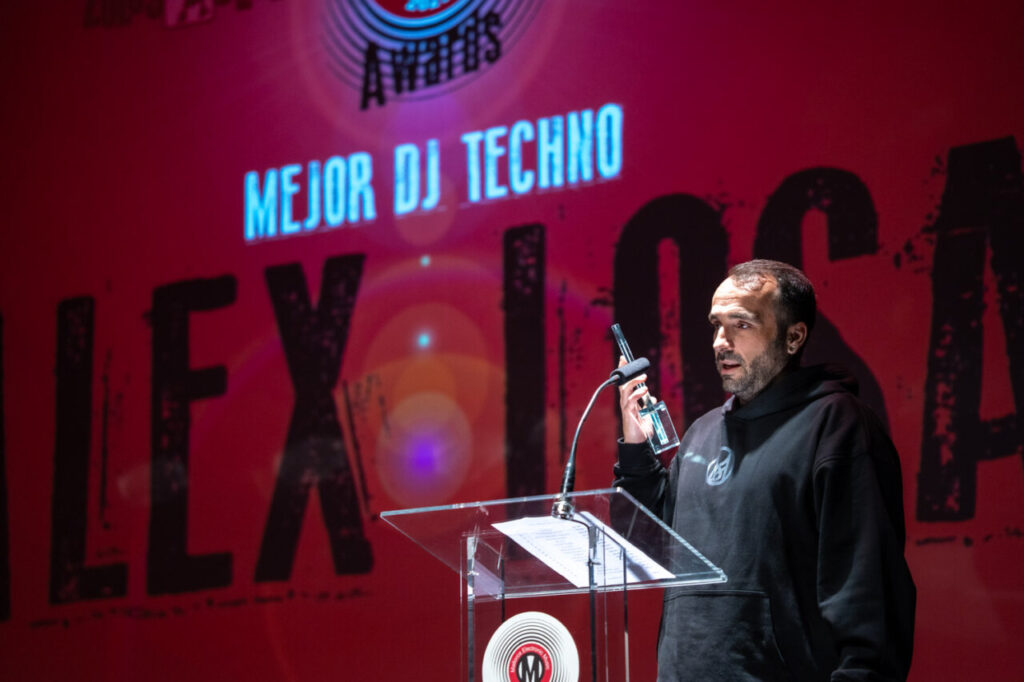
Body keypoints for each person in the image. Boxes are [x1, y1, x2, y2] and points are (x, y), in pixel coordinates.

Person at [614, 259, 915, 681]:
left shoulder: (837, 426)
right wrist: (635, 449)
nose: (721, 341)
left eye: (741, 324)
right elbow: (647, 544)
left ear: (793, 337)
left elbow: (869, 594)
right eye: (716, 325)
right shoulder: (703, 434)